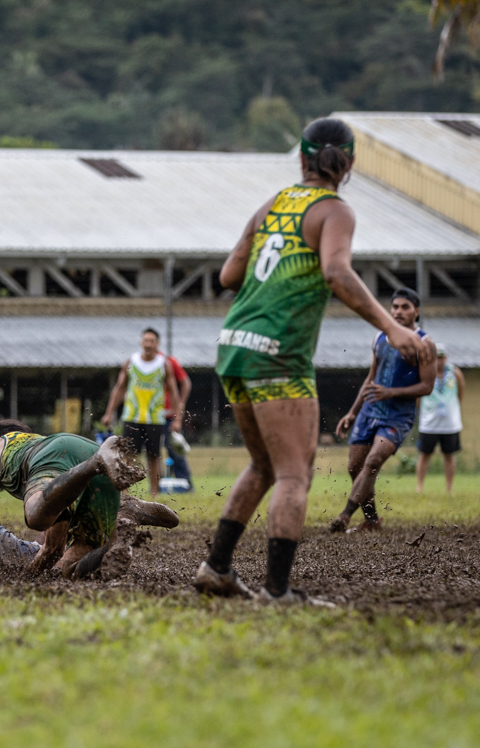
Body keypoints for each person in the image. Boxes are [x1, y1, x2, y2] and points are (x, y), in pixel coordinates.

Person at [193, 117, 432, 603]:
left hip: (235, 343)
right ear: (348, 164)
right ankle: (277, 591)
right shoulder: (334, 211)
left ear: (301, 158)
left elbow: (228, 274)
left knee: (263, 465)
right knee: (295, 473)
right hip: (279, 352)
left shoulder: (273, 204)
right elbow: (336, 272)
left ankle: (217, 568)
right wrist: (393, 326)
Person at [0, 420, 179, 579]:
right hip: (83, 453)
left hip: (60, 453)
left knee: (36, 518)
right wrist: (28, 577)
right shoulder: (58, 489)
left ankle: (96, 465)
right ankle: (124, 523)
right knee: (71, 570)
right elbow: (52, 550)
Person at [331, 288, 435, 532]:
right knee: (354, 467)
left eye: (405, 307)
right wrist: (352, 413)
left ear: (416, 312)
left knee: (374, 460)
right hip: (369, 411)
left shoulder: (425, 343)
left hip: (398, 416)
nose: (398, 311)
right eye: (395, 306)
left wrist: (392, 393)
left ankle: (344, 516)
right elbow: (371, 379)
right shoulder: (379, 338)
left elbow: (427, 386)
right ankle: (371, 520)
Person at [102, 328, 183, 494]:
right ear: (141, 342)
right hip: (132, 416)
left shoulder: (164, 364)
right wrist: (109, 412)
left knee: (154, 456)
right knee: (128, 456)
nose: (148, 344)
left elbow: (174, 393)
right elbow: (119, 388)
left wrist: (177, 419)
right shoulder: (131, 362)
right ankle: (124, 493)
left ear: (157, 344)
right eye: (145, 340)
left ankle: (154, 492)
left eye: (152, 341)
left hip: (154, 418)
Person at [416, 344, 465, 494]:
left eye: (442, 357)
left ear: (446, 358)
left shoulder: (455, 373)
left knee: (449, 455)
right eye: (436, 358)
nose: (439, 361)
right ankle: (419, 487)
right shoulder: (424, 372)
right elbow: (418, 397)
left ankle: (449, 489)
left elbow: (460, 393)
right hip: (429, 424)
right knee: (424, 455)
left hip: (450, 424)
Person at [163, 352, 193, 488]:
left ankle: (186, 485)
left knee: (176, 451)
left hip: (169, 417)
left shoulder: (168, 362)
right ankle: (155, 487)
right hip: (149, 418)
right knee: (152, 454)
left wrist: (178, 417)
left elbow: (186, 383)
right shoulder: (140, 362)